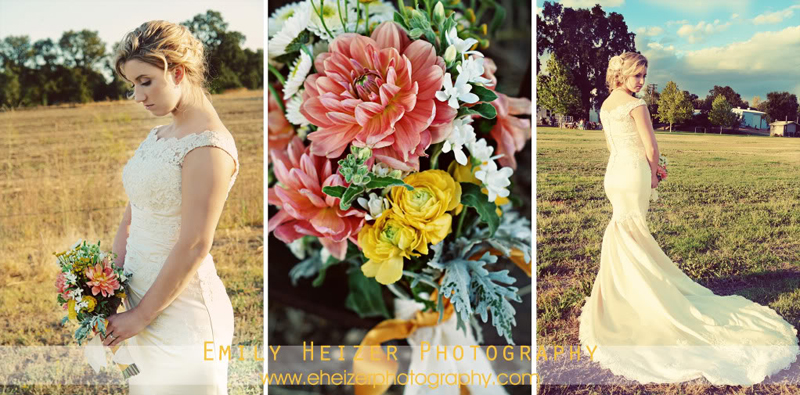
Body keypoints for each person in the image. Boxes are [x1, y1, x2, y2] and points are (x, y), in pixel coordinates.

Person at [579, 51, 799, 385]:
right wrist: (654, 173)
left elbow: (617, 145)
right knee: (633, 231)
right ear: (622, 75)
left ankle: (621, 294)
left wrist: (650, 167)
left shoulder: (607, 104)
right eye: (636, 75)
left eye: (643, 75)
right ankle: (640, 294)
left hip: (615, 174)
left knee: (625, 230)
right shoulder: (636, 106)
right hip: (633, 173)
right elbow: (650, 148)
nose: (641, 81)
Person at [103, 20, 239, 394]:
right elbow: (132, 217)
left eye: (145, 81)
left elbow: (195, 243)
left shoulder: (209, 147)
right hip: (137, 297)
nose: (138, 96)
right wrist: (107, 288)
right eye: (132, 85)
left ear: (177, 72)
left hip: (181, 313)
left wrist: (141, 316)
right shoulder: (159, 134)